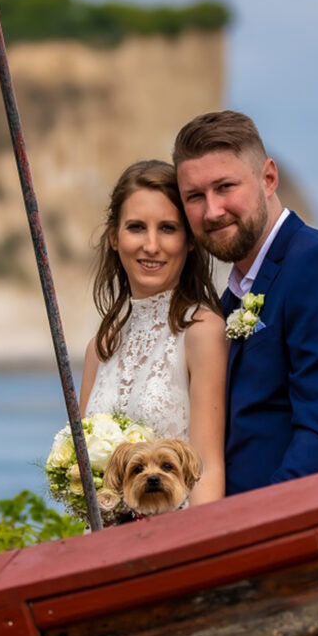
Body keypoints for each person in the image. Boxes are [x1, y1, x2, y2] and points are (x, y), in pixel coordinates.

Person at [173, 110, 318, 495]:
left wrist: (247, 529)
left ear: (268, 178)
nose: (212, 211)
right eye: (195, 196)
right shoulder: (229, 300)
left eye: (225, 187)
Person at [79, 159, 228, 505]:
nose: (151, 245)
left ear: (190, 241)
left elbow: (208, 468)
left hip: (176, 540)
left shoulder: (202, 332)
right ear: (114, 237)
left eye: (167, 228)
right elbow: (84, 467)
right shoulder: (100, 347)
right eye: (136, 227)